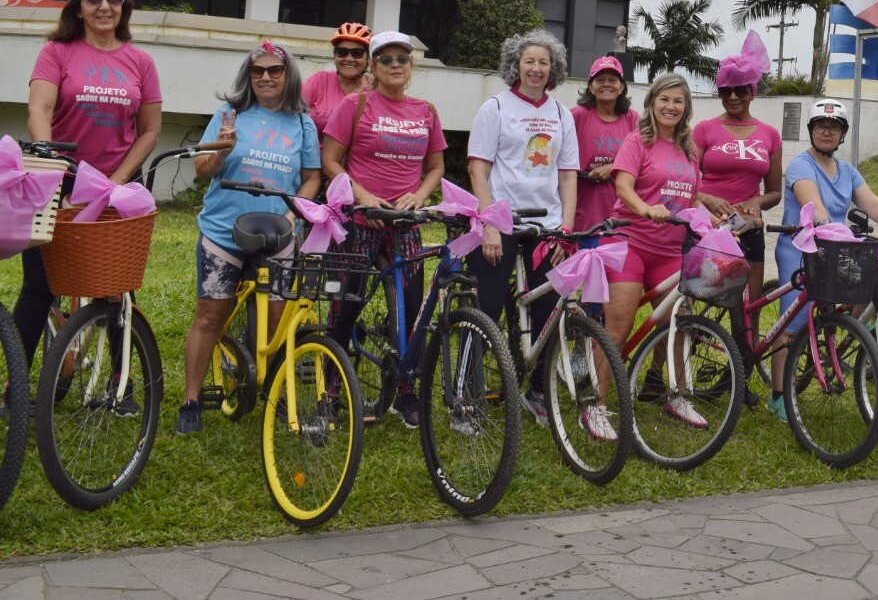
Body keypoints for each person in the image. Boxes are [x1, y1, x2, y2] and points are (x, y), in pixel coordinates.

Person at [20, 0, 162, 372]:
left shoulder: (140, 60)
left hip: (117, 185)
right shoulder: (57, 51)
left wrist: (116, 181)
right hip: (58, 178)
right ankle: (16, 383)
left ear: (123, 6)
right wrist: (52, 161)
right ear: (78, 9)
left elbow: (150, 130)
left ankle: (121, 381)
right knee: (38, 286)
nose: (104, 7)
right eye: (93, 0)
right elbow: (39, 110)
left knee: (115, 286)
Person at [177, 43, 320, 435]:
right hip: (223, 232)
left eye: (275, 70)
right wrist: (223, 150)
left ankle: (275, 396)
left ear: (288, 76)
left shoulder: (303, 124)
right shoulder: (229, 115)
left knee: (277, 322)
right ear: (249, 76)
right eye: (258, 71)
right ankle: (191, 400)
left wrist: (293, 216)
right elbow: (203, 169)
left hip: (278, 235)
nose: (266, 77)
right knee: (210, 315)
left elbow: (311, 178)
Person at [321, 30, 446, 428]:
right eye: (386, 59)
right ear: (372, 68)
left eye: (402, 59)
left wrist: (421, 195)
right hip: (359, 222)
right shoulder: (354, 104)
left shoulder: (426, 110)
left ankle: (405, 393)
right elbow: (331, 161)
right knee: (345, 308)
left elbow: (436, 167)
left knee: (410, 313)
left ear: (412, 67)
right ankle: (331, 392)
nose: (395, 66)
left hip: (404, 226)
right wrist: (362, 195)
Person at [774, 99, 878, 420]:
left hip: (834, 249)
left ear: (842, 134)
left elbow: (874, 204)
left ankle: (842, 337)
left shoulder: (847, 170)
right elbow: (812, 203)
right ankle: (778, 396)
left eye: (833, 127)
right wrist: (823, 223)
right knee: (793, 325)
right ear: (811, 131)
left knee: (869, 286)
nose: (826, 132)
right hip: (799, 249)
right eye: (820, 126)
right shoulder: (801, 165)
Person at [465, 31, 579, 424]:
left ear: (554, 69)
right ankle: (466, 397)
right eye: (529, 61)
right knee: (488, 306)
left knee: (550, 309)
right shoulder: (495, 108)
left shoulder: (562, 115)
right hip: (502, 223)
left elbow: (567, 176)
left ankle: (538, 393)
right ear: (516, 65)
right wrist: (490, 225)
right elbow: (478, 170)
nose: (536, 68)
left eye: (544, 62)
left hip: (545, 227)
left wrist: (565, 227)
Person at [599, 73, 703, 435]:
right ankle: (596, 405)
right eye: (664, 99)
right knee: (619, 324)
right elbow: (622, 184)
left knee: (677, 322)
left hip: (670, 248)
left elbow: (691, 195)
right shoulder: (637, 140)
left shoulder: (689, 149)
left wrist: (721, 213)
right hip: (629, 241)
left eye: (678, 101)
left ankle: (675, 395)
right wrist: (645, 208)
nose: (670, 106)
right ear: (652, 103)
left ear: (686, 106)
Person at [694, 32, 782, 297]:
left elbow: (776, 192)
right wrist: (707, 198)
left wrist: (758, 202)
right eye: (725, 90)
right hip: (709, 226)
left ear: (752, 92)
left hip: (749, 225)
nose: (733, 96)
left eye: (741, 90)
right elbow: (685, 181)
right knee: (703, 297)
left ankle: (746, 341)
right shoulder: (703, 130)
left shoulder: (769, 134)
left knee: (749, 304)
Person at [570, 56, 638, 234]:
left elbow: (644, 162)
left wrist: (613, 166)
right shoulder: (577, 116)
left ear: (621, 87)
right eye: (600, 80)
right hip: (582, 212)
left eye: (612, 80)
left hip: (621, 214)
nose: (606, 84)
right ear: (591, 87)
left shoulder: (632, 119)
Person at [301, 23, 373, 137]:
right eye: (342, 52)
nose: (349, 58)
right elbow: (292, 117)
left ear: (368, 59)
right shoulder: (319, 81)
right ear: (334, 56)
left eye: (357, 53)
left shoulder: (376, 89)